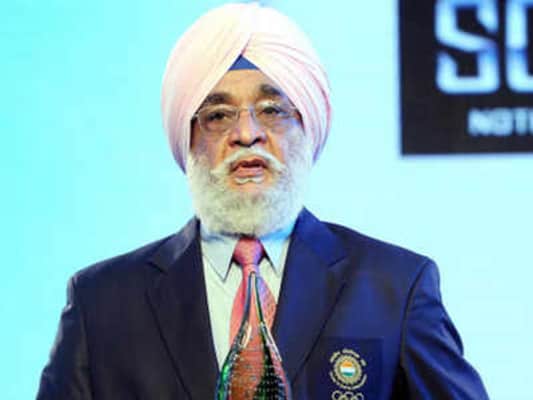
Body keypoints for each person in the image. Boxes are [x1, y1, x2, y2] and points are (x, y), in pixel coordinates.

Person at [37, 3, 489, 399]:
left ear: (307, 127)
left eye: (272, 110)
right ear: (186, 137)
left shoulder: (396, 288)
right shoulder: (102, 304)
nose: (246, 133)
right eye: (218, 115)